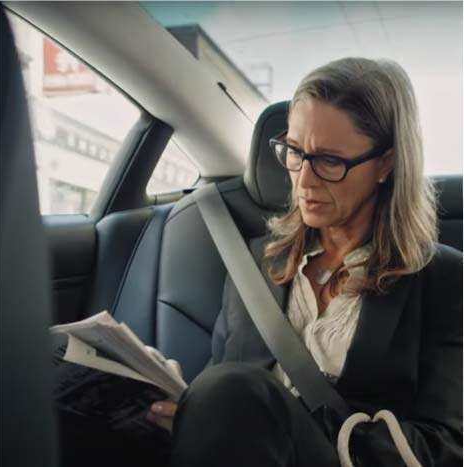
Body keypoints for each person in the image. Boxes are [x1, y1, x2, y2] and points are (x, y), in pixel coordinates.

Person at [147, 57, 462, 466]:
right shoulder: (256, 264)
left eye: (330, 161)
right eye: (295, 152)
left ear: (386, 163)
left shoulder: (445, 281)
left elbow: (447, 447)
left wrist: (286, 427)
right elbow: (221, 384)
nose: (304, 181)